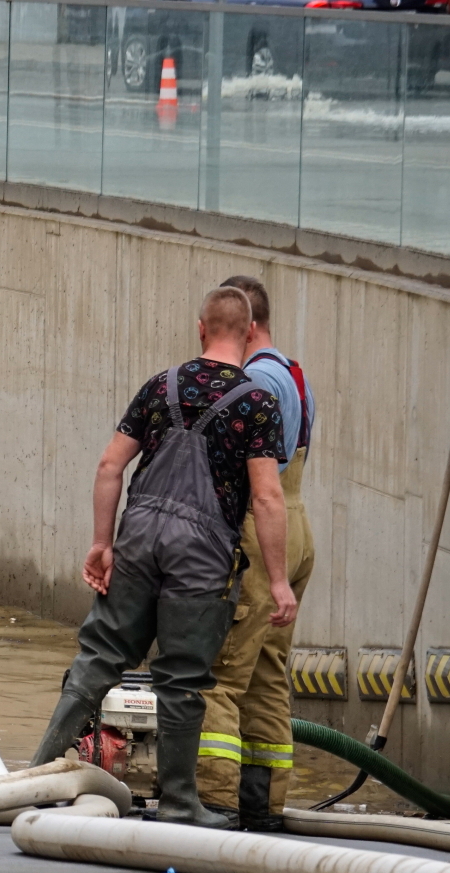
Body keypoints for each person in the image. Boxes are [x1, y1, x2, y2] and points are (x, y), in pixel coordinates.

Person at [29, 286, 296, 829]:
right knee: (181, 678)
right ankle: (179, 803)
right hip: (201, 552)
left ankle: (34, 778)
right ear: (248, 335)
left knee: (100, 656)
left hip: (141, 535)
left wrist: (102, 543)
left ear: (200, 328)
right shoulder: (257, 402)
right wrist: (279, 580)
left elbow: (110, 467)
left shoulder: (161, 386)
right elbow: (267, 497)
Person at [196, 275, 317, 830]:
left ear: (247, 327)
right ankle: (263, 808)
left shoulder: (256, 381)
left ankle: (215, 805)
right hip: (296, 530)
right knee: (267, 675)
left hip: (259, 530)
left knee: (218, 673)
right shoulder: (295, 374)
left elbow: (259, 483)